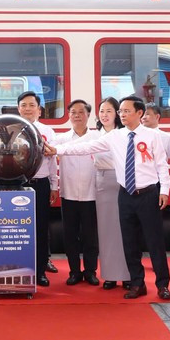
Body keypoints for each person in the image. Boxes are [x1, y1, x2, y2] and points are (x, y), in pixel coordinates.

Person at [45, 96, 170, 301]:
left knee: (154, 241)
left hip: (149, 193)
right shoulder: (115, 136)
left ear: (139, 113)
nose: (121, 114)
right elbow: (85, 148)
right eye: (120, 111)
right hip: (125, 194)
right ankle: (137, 283)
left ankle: (163, 285)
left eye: (126, 111)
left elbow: (161, 164)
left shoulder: (152, 136)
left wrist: (165, 189)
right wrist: (57, 150)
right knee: (129, 242)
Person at [54, 99, 99, 286]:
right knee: (70, 235)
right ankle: (74, 271)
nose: (77, 116)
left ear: (88, 115)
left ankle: (90, 271)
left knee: (91, 236)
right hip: (69, 194)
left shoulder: (97, 137)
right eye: (73, 112)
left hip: (92, 194)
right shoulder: (61, 138)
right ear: (69, 116)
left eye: (81, 112)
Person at [17, 91, 59, 287]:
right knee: (19, 230)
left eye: (31, 105)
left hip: (40, 185)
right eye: (23, 105)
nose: (27, 109)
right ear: (18, 109)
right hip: (17, 185)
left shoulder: (48, 132)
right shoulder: (12, 128)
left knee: (41, 229)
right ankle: (20, 270)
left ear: (39, 110)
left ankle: (40, 271)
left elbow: (52, 162)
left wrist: (54, 185)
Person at [92, 97, 130, 290]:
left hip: (122, 182)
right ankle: (110, 275)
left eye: (109, 111)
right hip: (102, 182)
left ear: (116, 113)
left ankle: (128, 274)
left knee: (125, 229)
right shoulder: (94, 135)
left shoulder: (124, 134)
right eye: (101, 111)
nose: (104, 115)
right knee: (106, 230)